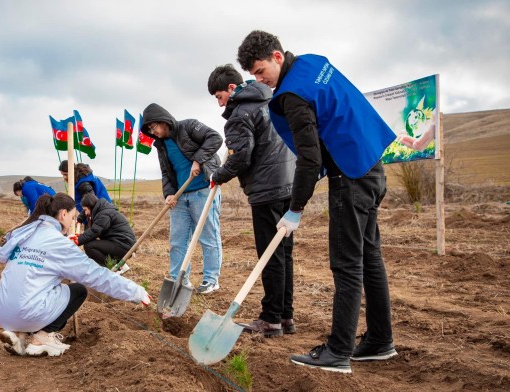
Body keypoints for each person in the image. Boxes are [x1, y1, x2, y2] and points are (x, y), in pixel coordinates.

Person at [237, 30, 397, 373]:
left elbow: (308, 160)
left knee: (347, 265)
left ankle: (338, 352)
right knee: (370, 259)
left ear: (277, 57)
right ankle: (381, 341)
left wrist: (295, 210)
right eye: (252, 74)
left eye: (260, 70)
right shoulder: (313, 63)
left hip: (350, 178)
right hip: (373, 169)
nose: (259, 78)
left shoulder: (293, 94)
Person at [0, 193, 150, 357]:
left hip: (3, 312)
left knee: (41, 285)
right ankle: (42, 339)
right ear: (63, 214)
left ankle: (18, 335)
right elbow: (95, 275)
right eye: (73, 217)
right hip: (27, 312)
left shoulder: (26, 234)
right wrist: (134, 291)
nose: (73, 222)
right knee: (78, 291)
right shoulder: (57, 243)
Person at [207, 64, 297, 337]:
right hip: (290, 185)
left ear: (232, 89)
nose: (220, 103)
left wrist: (219, 175)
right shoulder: (270, 101)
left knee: (269, 257)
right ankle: (285, 317)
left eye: (219, 97)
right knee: (283, 253)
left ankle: (270, 319)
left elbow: (241, 157)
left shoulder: (240, 115)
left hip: (266, 190)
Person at [140, 103, 223, 294]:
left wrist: (198, 159)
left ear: (163, 121)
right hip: (180, 196)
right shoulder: (160, 145)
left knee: (208, 236)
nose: (153, 132)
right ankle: (179, 279)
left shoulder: (188, 126)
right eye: (150, 130)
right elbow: (166, 172)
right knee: (178, 240)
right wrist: (169, 193)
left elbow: (215, 138)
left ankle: (211, 279)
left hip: (203, 190)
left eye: (153, 127)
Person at [71, 194, 135, 275]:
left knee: (89, 246)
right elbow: (85, 212)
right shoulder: (101, 208)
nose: (86, 212)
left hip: (124, 245)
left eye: (86, 209)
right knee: (94, 243)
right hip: (122, 242)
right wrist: (79, 219)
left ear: (91, 206)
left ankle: (113, 267)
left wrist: (76, 241)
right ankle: (121, 265)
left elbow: (94, 231)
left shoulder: (104, 214)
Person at [59, 160, 112, 225]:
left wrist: (81, 218)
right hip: (97, 213)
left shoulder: (83, 184)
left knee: (91, 234)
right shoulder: (82, 179)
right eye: (63, 175)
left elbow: (90, 203)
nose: (64, 177)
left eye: (66, 174)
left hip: (100, 214)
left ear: (72, 172)